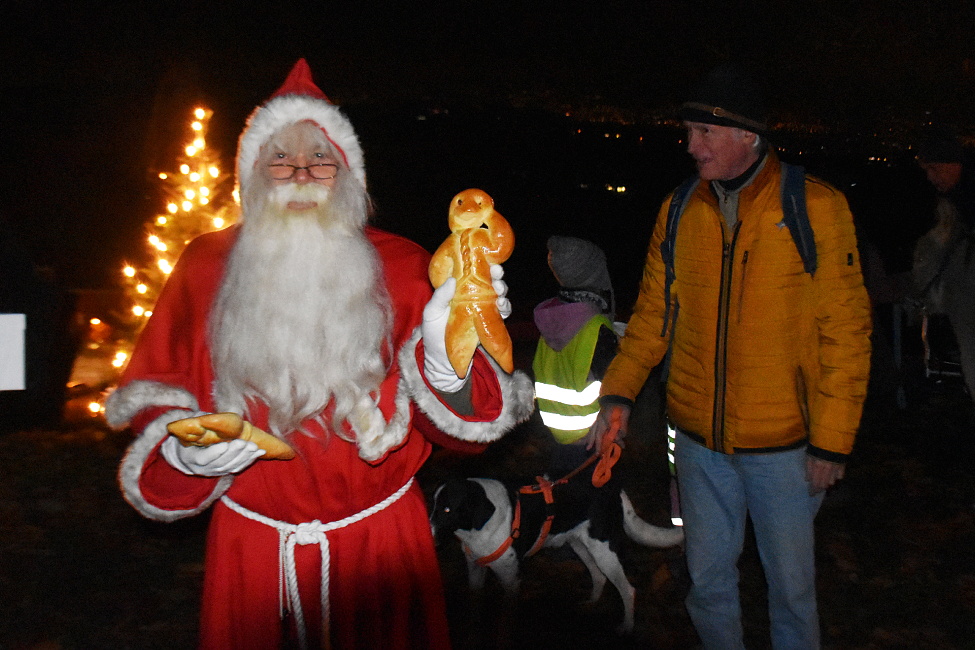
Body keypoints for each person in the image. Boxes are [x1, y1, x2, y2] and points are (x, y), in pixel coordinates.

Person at [105, 59, 535, 650]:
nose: (301, 173)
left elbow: (475, 432)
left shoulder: (407, 268)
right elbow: (154, 405)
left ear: (350, 176)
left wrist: (444, 365)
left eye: (321, 159)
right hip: (252, 554)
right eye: (280, 157)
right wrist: (182, 459)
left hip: (381, 551)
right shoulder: (203, 267)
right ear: (252, 172)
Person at [590, 63, 872, 649]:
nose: (691, 147)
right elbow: (651, 319)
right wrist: (617, 392)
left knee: (791, 592)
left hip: (787, 450)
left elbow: (846, 333)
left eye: (705, 133)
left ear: (749, 136)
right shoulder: (678, 211)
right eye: (689, 132)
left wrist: (832, 442)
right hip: (698, 445)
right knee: (708, 581)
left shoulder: (813, 208)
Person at [532, 235, 618, 478]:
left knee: (565, 506)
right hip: (594, 440)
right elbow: (615, 382)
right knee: (598, 508)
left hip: (558, 439)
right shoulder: (596, 327)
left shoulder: (551, 319)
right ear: (594, 274)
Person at [916, 126, 975, 232]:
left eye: (934, 168)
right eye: (926, 170)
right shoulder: (948, 199)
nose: (929, 177)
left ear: (954, 165)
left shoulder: (967, 198)